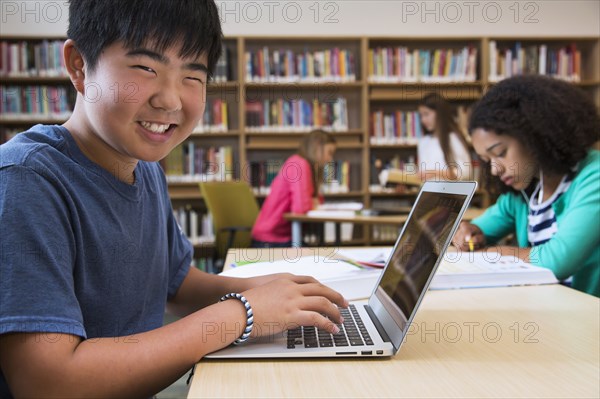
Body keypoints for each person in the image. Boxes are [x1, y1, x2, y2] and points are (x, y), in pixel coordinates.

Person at [0, 1, 347, 397]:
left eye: (193, 76)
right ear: (80, 66)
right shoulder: (26, 180)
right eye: (146, 68)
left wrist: (273, 291)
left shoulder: (145, 169)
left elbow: (177, 286)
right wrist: (242, 314)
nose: (171, 100)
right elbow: (47, 383)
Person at [452, 75, 599, 297]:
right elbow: (478, 230)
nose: (494, 169)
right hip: (545, 312)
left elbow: (556, 261)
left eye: (500, 153)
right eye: (486, 160)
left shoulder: (593, 176)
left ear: (535, 134)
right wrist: (466, 233)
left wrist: (490, 254)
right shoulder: (526, 189)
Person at [251, 130, 336, 247]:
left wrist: (311, 202)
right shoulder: (299, 164)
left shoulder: (308, 167)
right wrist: (311, 202)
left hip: (285, 237)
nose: (330, 159)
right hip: (271, 240)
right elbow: (301, 208)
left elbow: (318, 201)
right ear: (317, 148)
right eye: (329, 152)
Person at [417, 93, 472, 181]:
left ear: (440, 114)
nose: (423, 120)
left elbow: (465, 172)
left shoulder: (453, 139)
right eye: (421, 116)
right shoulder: (423, 142)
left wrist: (434, 173)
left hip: (449, 193)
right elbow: (422, 174)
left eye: (426, 114)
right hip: (428, 192)